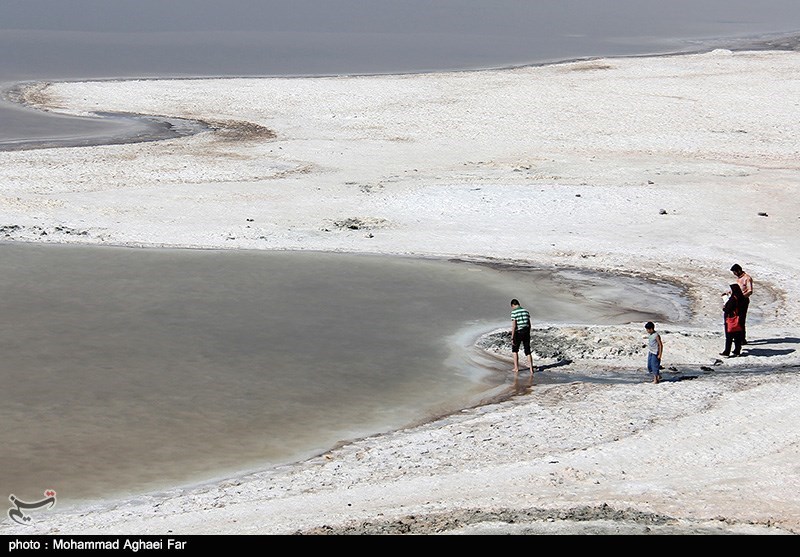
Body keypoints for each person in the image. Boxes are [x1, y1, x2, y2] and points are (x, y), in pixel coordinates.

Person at [510, 299, 535, 375]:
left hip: (519, 332)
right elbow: (529, 324)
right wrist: (528, 332)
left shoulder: (514, 312)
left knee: (515, 350)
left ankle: (516, 368)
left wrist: (512, 336)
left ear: (513, 305)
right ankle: (531, 369)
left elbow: (514, 325)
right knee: (527, 350)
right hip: (526, 331)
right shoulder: (526, 311)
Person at [730, 264, 753, 344]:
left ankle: (742, 339)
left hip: (743, 301)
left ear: (738, 270)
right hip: (737, 300)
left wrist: (742, 297)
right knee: (736, 319)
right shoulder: (739, 279)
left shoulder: (747, 278)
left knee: (741, 320)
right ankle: (738, 337)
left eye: (735, 272)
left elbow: (750, 291)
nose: (734, 274)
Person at [720, 283, 745, 357]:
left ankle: (726, 351)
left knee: (729, 336)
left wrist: (724, 307)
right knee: (737, 336)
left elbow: (728, 309)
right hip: (739, 319)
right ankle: (737, 350)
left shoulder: (733, 299)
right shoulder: (741, 298)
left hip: (731, 319)